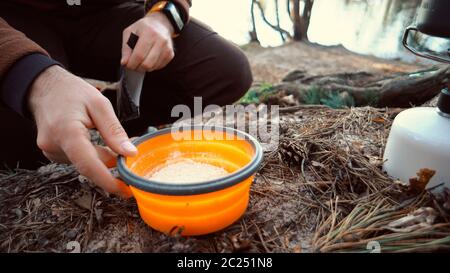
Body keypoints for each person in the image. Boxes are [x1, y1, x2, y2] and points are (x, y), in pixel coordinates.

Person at [0, 0, 252, 197]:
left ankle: (109, 111)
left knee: (227, 70)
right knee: (30, 142)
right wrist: (35, 79)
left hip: (107, 14)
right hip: (15, 21)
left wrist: (164, 16)